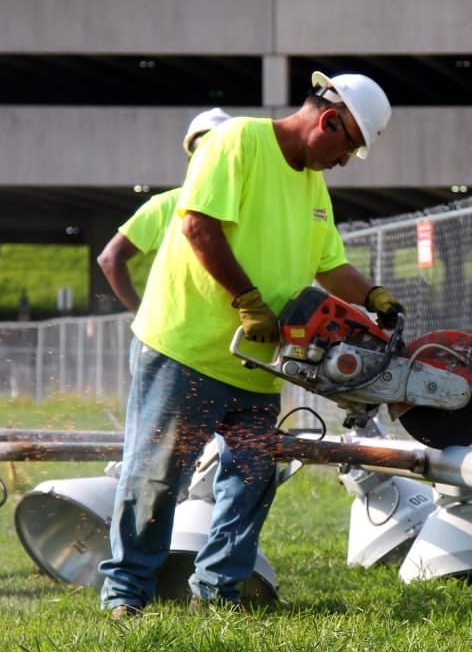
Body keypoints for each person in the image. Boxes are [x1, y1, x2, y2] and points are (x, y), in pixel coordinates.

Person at [99, 72, 405, 619]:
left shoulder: (312, 187)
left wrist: (374, 296)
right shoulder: (237, 140)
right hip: (186, 349)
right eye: (348, 146)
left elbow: (329, 265)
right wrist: (247, 299)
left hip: (258, 364)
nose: (343, 161)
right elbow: (198, 226)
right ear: (329, 119)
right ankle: (127, 593)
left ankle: (218, 592)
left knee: (253, 476)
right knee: (157, 474)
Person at [97, 107, 232, 313]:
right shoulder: (165, 205)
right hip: (168, 342)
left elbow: (109, 258)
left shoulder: (168, 205)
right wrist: (140, 312)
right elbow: (109, 258)